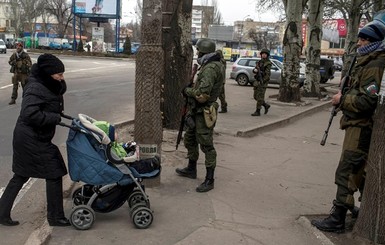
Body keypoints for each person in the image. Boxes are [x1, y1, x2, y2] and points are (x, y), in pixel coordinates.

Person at [311, 21, 385, 233]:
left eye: (364, 39)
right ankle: (354, 208)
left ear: (373, 41)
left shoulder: (375, 64)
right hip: (356, 125)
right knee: (359, 172)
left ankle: (338, 218)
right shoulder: (366, 60)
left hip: (362, 126)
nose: (359, 42)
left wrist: (341, 99)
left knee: (347, 171)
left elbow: (367, 101)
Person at [0, 54, 70, 227]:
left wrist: (59, 115)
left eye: (62, 74)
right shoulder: (36, 87)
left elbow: (48, 106)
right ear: (48, 74)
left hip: (33, 137)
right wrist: (53, 117)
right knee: (54, 172)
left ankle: (1, 213)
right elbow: (29, 114)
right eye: (59, 75)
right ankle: (55, 217)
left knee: (21, 175)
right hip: (31, 138)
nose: (62, 78)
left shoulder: (47, 84)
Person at [175, 38, 225, 192]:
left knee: (206, 145)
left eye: (198, 51)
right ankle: (191, 168)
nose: (197, 53)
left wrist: (187, 91)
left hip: (204, 111)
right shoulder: (210, 65)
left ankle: (209, 180)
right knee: (190, 139)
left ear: (204, 52)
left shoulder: (210, 68)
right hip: (197, 110)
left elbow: (202, 95)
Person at [92, 120, 161, 174]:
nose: (116, 133)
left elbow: (118, 146)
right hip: (129, 164)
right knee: (152, 161)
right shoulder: (108, 149)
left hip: (127, 156)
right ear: (107, 136)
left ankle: (153, 154)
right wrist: (132, 156)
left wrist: (125, 145)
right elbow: (119, 159)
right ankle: (153, 161)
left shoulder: (109, 144)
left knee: (150, 151)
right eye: (114, 132)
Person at [251, 49, 271, 116]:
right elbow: (254, 70)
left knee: (260, 97)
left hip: (263, 82)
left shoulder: (268, 63)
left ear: (267, 55)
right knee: (255, 97)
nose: (264, 55)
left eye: (265, 54)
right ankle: (265, 105)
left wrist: (263, 81)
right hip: (257, 81)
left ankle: (258, 111)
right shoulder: (259, 62)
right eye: (263, 54)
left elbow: (267, 74)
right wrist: (255, 70)